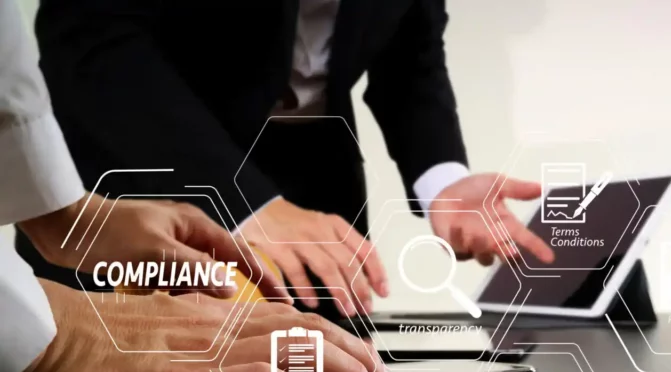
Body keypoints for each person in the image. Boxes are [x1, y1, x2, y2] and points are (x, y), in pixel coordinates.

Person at [0, 0, 393, 372]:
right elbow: (89, 26)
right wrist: (55, 348)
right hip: (142, 158)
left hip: (305, 182)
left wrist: (63, 215)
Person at [28, 0, 556, 318]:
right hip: (140, 183)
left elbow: (412, 57)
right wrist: (247, 201)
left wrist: (443, 181)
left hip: (318, 201)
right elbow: (92, 42)